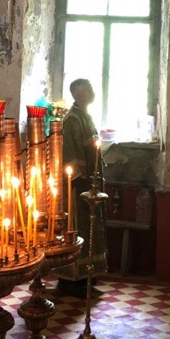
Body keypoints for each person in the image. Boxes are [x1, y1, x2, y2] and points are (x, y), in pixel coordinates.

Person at [57, 79, 107, 298]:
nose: (93, 92)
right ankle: (72, 279)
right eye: (89, 89)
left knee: (91, 228)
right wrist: (80, 180)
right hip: (78, 186)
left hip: (90, 184)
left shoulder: (86, 116)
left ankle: (88, 274)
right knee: (77, 229)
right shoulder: (72, 120)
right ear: (78, 94)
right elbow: (70, 153)